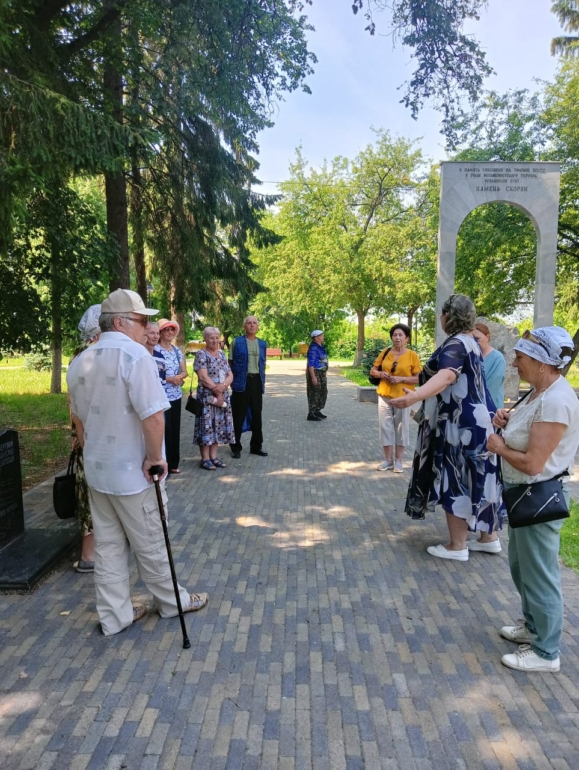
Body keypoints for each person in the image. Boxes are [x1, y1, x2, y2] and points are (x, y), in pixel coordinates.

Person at [66, 289, 208, 636]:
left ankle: (115, 616)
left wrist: (93, 453)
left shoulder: (80, 361)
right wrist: (155, 458)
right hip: (133, 473)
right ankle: (173, 602)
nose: (148, 327)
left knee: (109, 548)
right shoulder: (135, 356)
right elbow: (153, 416)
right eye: (142, 319)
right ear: (119, 322)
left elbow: (79, 420)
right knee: (151, 541)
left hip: (99, 472)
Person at [487, 326, 579, 672]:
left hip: (537, 497)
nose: (514, 363)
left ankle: (546, 652)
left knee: (539, 575)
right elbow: (526, 432)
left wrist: (499, 446)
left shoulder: (556, 401)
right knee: (520, 567)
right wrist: (506, 421)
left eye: (521, 357)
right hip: (523, 497)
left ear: (543, 362)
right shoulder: (540, 392)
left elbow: (533, 463)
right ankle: (533, 627)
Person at [390, 294, 503, 561]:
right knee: (478, 477)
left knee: (456, 478)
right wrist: (419, 388)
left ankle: (458, 545)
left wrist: (415, 397)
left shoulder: (455, 344)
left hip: (458, 426)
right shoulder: (473, 343)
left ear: (447, 317)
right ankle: (489, 538)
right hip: (478, 423)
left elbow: (447, 375)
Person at [69, 304, 101, 573]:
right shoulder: (93, 356)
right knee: (91, 496)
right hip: (92, 437)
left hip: (85, 435)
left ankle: (93, 552)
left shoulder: (79, 355)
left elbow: (72, 404)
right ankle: (88, 556)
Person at [369, 324, 422, 472]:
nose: (397, 338)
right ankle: (387, 460)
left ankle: (399, 461)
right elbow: (373, 370)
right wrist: (380, 374)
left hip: (403, 397)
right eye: (394, 335)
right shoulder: (385, 352)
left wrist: (401, 379)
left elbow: (418, 378)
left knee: (401, 427)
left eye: (400, 335)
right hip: (384, 395)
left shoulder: (412, 355)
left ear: (406, 338)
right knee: (385, 427)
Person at [194, 327, 235, 469]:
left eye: (217, 337)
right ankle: (205, 458)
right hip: (207, 397)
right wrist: (217, 391)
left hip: (222, 396)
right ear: (205, 339)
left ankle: (214, 456)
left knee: (218, 425)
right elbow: (203, 377)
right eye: (211, 337)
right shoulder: (201, 354)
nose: (215, 340)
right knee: (206, 425)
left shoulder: (222, 354)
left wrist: (223, 387)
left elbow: (230, 374)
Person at [229, 316, 268, 458]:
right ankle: (235, 447)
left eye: (254, 323)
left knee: (257, 415)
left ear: (258, 326)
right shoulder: (237, 342)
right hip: (241, 382)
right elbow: (230, 363)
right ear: (244, 326)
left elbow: (262, 364)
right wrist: (232, 380)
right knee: (238, 415)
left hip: (257, 381)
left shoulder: (262, 344)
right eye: (249, 323)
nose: (252, 325)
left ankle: (256, 446)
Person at [155, 318, 188, 475]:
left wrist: (179, 378)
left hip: (176, 395)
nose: (169, 332)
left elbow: (184, 371)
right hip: (161, 396)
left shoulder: (176, 351)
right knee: (163, 429)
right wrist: (170, 379)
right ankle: (163, 463)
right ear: (160, 332)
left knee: (174, 429)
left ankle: (173, 463)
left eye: (171, 330)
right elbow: (154, 374)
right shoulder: (154, 350)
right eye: (166, 330)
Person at [472, 322, 506, 411]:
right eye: (472, 339)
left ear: (487, 337)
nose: (474, 342)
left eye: (477, 339)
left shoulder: (497, 358)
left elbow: (493, 386)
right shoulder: (471, 356)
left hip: (491, 407)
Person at [306, 330, 329, 421]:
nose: (323, 336)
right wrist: (313, 377)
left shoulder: (320, 346)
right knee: (314, 392)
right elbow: (310, 363)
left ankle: (317, 410)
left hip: (322, 372)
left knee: (323, 391)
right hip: (315, 372)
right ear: (316, 338)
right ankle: (311, 413)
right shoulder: (313, 348)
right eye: (321, 335)